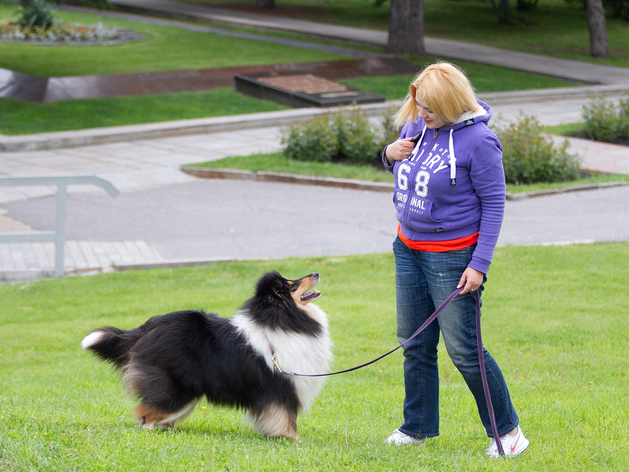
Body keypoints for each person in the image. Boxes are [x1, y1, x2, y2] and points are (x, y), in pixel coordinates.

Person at [381, 62, 529, 457]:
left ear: (451, 102)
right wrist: (388, 154)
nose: (421, 113)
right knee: (414, 342)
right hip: (407, 248)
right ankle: (417, 428)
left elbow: (494, 206)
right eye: (419, 105)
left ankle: (509, 433)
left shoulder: (480, 142)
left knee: (464, 349)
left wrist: (479, 264)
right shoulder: (416, 126)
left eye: (429, 107)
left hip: (453, 257)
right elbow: (407, 172)